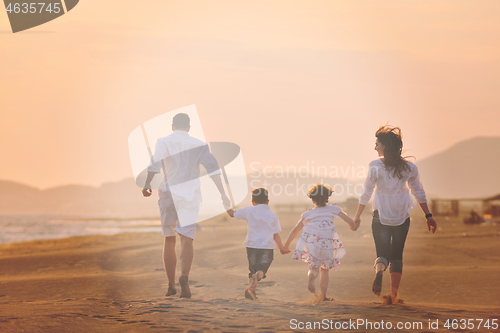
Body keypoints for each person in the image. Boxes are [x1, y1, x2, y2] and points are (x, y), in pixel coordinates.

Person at [142, 113, 230, 298]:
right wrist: (223, 195)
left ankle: (170, 285)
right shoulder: (199, 144)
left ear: (172, 126)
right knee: (187, 239)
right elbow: (213, 169)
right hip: (189, 196)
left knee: (169, 238)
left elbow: (155, 162)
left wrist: (147, 183)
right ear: (189, 128)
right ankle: (184, 277)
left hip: (168, 194)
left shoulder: (163, 141)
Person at [353, 125, 437, 304]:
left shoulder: (374, 166)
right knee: (397, 255)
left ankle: (379, 272)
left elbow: (366, 192)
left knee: (381, 253)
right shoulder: (409, 167)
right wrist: (428, 215)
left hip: (380, 216)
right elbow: (418, 192)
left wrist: (357, 216)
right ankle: (393, 294)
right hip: (402, 217)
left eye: (377, 144)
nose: (375, 147)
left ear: (385, 146)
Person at [283, 184, 356, 301]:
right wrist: (353, 226)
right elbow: (349, 220)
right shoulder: (334, 209)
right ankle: (323, 295)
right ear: (327, 198)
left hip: (312, 241)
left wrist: (286, 245)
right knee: (325, 269)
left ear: (312, 200)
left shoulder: (307, 214)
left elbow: (296, 229)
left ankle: (311, 276)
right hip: (326, 242)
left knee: (314, 267)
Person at [226, 188, 289, 300]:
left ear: (253, 202)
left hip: (251, 246)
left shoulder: (248, 211)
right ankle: (255, 281)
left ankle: (251, 292)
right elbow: (275, 234)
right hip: (267, 247)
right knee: (261, 270)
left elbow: (232, 214)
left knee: (253, 270)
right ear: (268, 201)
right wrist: (282, 248)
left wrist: (226, 205)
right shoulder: (273, 216)